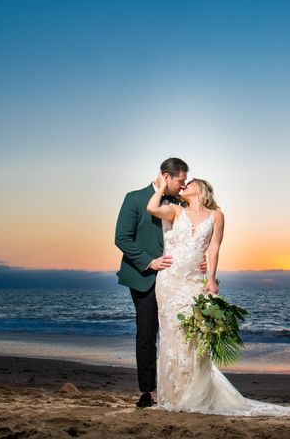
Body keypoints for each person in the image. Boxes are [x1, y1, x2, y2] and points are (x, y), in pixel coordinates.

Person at [146, 176, 290, 416]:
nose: (184, 186)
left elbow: (213, 248)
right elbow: (151, 207)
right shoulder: (176, 211)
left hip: (193, 281)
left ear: (201, 189)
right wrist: (161, 186)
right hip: (169, 281)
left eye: (188, 183)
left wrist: (211, 278)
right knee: (172, 336)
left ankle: (195, 391)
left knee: (193, 337)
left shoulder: (216, 216)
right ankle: (174, 394)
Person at [115, 157, 206, 408]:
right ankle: (147, 392)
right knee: (146, 334)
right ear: (167, 177)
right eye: (180, 180)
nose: (183, 185)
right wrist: (149, 262)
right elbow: (122, 238)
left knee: (179, 335)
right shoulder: (133, 198)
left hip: (177, 281)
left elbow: (197, 235)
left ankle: (180, 389)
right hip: (144, 277)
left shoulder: (181, 203)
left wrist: (201, 260)